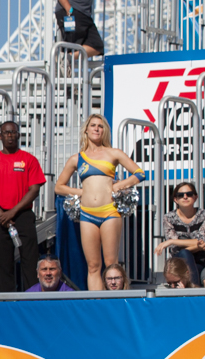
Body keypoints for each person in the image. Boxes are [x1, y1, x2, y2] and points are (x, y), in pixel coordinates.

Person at [54, 113, 145, 290]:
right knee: (93, 265)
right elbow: (59, 187)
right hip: (87, 214)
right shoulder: (77, 158)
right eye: (93, 125)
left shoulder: (114, 153)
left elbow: (140, 173)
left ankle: (118, 302)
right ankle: (97, 303)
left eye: (100, 126)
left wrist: (120, 185)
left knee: (111, 263)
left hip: (110, 211)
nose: (97, 128)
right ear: (86, 130)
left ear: (104, 131)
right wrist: (81, 191)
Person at [0, 121, 45, 292]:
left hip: (23, 214)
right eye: (6, 133)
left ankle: (31, 296)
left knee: (29, 259)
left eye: (13, 132)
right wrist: (1, 214)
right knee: (3, 261)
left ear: (18, 135)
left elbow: (34, 189)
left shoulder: (29, 160)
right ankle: (7, 297)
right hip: (0, 217)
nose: (9, 135)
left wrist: (13, 212)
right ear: (0, 136)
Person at [154, 181, 205, 286]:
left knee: (187, 255)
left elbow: (203, 240)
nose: (185, 197)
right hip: (180, 264)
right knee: (185, 254)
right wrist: (198, 246)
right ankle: (193, 291)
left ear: (195, 197)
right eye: (181, 195)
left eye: (189, 194)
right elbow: (176, 249)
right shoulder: (169, 218)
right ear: (175, 199)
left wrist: (172, 241)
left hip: (203, 263)